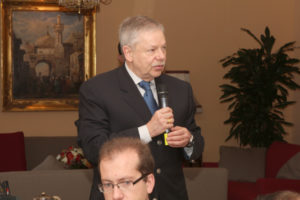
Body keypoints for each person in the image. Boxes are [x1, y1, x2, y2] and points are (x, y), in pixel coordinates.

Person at [76, 15, 204, 200]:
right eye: (152, 50)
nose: (161, 56)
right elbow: (94, 149)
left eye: (163, 48)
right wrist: (147, 130)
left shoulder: (180, 89)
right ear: (128, 53)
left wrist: (189, 140)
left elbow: (197, 142)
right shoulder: (97, 90)